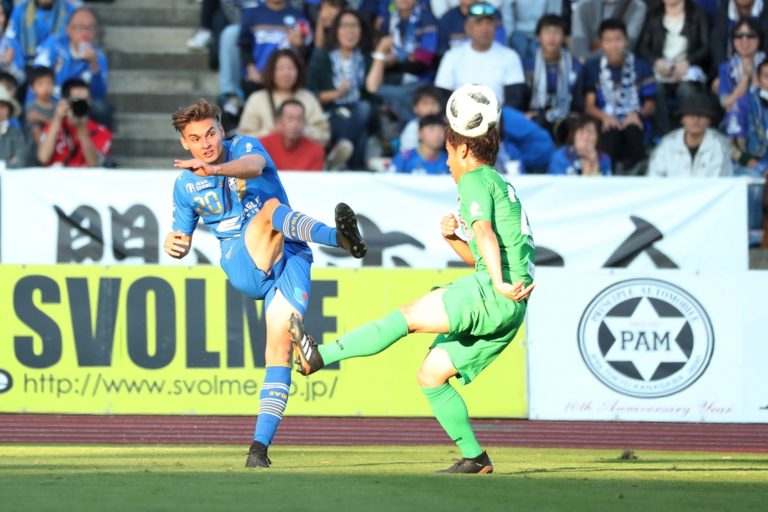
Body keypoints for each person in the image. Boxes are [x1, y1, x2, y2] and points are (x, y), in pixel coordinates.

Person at [290, 84, 535, 474]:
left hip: (495, 293)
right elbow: (485, 253)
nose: (447, 162)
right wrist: (454, 240)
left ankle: (321, 356)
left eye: (449, 153)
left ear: (464, 150)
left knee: (406, 317)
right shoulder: (500, 184)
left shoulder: (474, 180)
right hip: (513, 305)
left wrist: (499, 282)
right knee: (431, 374)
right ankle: (475, 457)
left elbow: (485, 233)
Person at [164, 99, 366, 469]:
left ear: (222, 130)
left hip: (291, 256)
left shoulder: (244, 146)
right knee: (270, 210)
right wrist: (174, 245)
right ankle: (338, 239)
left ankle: (258, 450)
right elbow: (181, 236)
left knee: (279, 352)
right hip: (242, 260)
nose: (205, 143)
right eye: (195, 138)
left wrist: (215, 170)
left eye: (211, 133)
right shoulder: (185, 186)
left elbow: (255, 167)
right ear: (184, 143)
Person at [583, 19, 656, 173]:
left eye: (618, 39)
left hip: (635, 119)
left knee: (633, 130)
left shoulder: (642, 66)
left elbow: (650, 105)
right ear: (601, 44)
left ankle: (639, 176)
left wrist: (636, 114)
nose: (614, 45)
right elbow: (589, 106)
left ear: (626, 41)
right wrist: (605, 117)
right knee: (610, 132)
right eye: (608, 41)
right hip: (605, 120)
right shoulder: (592, 67)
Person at [308, 8, 377, 170]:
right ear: (336, 30)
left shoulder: (366, 57)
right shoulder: (322, 56)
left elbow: (372, 90)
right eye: (345, 26)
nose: (350, 31)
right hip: (331, 112)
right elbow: (310, 94)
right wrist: (336, 94)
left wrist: (380, 55)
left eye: (354, 26)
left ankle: (339, 155)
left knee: (364, 109)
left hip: (359, 111)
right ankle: (355, 170)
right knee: (361, 133)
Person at [637, 0, 710, 137]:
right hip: (661, 70)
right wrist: (656, 62)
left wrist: (688, 61)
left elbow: (706, 46)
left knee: (686, 91)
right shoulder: (653, 14)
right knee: (655, 90)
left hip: (686, 70)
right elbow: (643, 48)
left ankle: (687, 135)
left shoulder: (697, 13)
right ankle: (663, 136)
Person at [434, 2, 525, 110]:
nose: (484, 28)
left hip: (499, 115)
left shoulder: (510, 56)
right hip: (460, 115)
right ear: (468, 27)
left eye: (489, 23)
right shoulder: (451, 56)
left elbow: (515, 99)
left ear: (495, 28)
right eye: (479, 23)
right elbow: (442, 95)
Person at [33, 6, 111, 127]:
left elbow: (98, 95)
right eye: (80, 27)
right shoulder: (55, 44)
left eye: (90, 28)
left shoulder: (98, 56)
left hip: (81, 104)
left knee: (102, 109)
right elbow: (37, 76)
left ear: (95, 32)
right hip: (53, 99)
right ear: (69, 29)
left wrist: (94, 66)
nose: (85, 32)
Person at [523, 14, 583, 145]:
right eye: (547, 32)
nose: (552, 37)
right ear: (538, 37)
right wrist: (524, 113)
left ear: (564, 38)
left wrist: (576, 113)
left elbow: (579, 98)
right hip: (536, 114)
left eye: (556, 32)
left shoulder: (575, 66)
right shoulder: (527, 65)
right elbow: (522, 95)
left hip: (565, 115)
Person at [238, 0, 311, 97]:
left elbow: (308, 52)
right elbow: (244, 45)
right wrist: (251, 68)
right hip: (258, 78)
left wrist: (300, 45)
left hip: (287, 77)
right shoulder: (251, 13)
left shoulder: (298, 15)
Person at [648, 93, 732, 177]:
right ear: (682, 119)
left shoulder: (719, 143)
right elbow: (653, 178)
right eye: (690, 115)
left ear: (709, 120)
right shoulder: (667, 143)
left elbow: (722, 180)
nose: (696, 120)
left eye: (701, 115)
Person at [37, 77, 112, 167]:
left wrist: (82, 130)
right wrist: (57, 119)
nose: (80, 105)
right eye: (76, 101)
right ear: (65, 102)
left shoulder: (101, 131)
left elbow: (94, 164)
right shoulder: (53, 126)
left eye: (85, 101)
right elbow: (43, 158)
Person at [719, 18, 765, 139]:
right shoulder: (726, 68)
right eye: (739, 36)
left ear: (759, 38)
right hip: (737, 118)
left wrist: (753, 75)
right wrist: (745, 76)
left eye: (751, 35)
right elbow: (725, 102)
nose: (745, 40)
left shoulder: (766, 65)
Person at [258, 99, 326, 171]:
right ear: (278, 122)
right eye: (290, 119)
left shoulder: (316, 150)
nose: (295, 124)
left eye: (299, 119)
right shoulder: (262, 146)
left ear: (305, 123)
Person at [570, 0, 648, 62]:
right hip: (587, 68)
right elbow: (579, 50)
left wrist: (589, 58)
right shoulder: (583, 5)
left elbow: (626, 47)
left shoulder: (636, 6)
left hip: (622, 66)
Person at [4, 0, 74, 65]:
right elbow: (11, 42)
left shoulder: (70, 12)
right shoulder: (20, 11)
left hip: (58, 66)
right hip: (25, 67)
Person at [547, 115, 612, 176]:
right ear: (574, 136)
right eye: (581, 132)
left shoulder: (604, 159)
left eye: (591, 133)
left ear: (597, 138)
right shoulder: (560, 156)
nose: (586, 138)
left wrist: (594, 162)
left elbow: (603, 183)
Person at [436, 0, 505, 55]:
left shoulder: (493, 13)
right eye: (479, 22)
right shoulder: (447, 18)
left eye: (488, 23)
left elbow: (500, 46)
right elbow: (442, 51)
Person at [399, 84, 443, 153]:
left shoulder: (443, 125)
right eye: (425, 104)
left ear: (440, 106)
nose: (430, 108)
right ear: (415, 108)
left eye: (433, 103)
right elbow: (408, 153)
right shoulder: (413, 127)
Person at [25, 65, 56, 151]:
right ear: (32, 88)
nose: (46, 88)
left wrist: (42, 118)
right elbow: (36, 135)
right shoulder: (31, 107)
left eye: (49, 83)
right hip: (36, 150)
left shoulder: (57, 106)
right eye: (40, 84)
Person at [0, 84, 27, 168]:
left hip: (8, 175)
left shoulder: (15, 133)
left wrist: (4, 165)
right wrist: (9, 161)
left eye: (3, 106)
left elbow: (20, 160)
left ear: (9, 110)